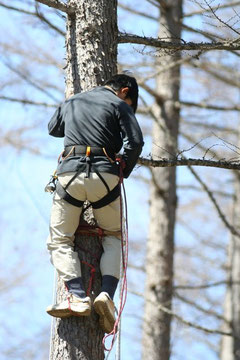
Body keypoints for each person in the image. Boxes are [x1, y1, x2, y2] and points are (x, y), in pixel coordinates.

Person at [46, 74, 144, 333]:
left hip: (69, 175)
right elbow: (136, 142)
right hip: (105, 176)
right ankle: (106, 295)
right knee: (112, 235)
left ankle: (77, 297)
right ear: (124, 91)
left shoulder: (73, 101)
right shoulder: (119, 105)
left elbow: (53, 129)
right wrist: (124, 167)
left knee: (60, 239)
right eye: (130, 101)